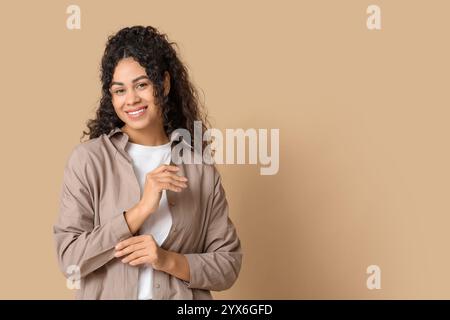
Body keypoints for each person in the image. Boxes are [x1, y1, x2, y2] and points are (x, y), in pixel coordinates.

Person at [53, 25, 242, 300]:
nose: (131, 100)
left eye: (141, 85)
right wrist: (140, 211)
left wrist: (167, 260)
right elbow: (69, 259)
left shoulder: (200, 170)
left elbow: (228, 264)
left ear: (163, 84)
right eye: (119, 90)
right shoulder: (89, 161)